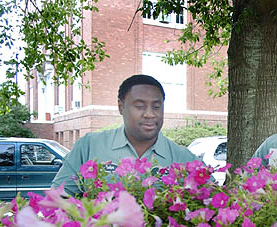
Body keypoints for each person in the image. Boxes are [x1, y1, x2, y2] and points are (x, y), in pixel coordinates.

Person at [52, 74, 198, 195]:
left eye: (157, 107)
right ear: (121, 107)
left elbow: (210, 201)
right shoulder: (89, 146)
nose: (150, 114)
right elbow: (59, 198)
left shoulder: (183, 158)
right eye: (140, 106)